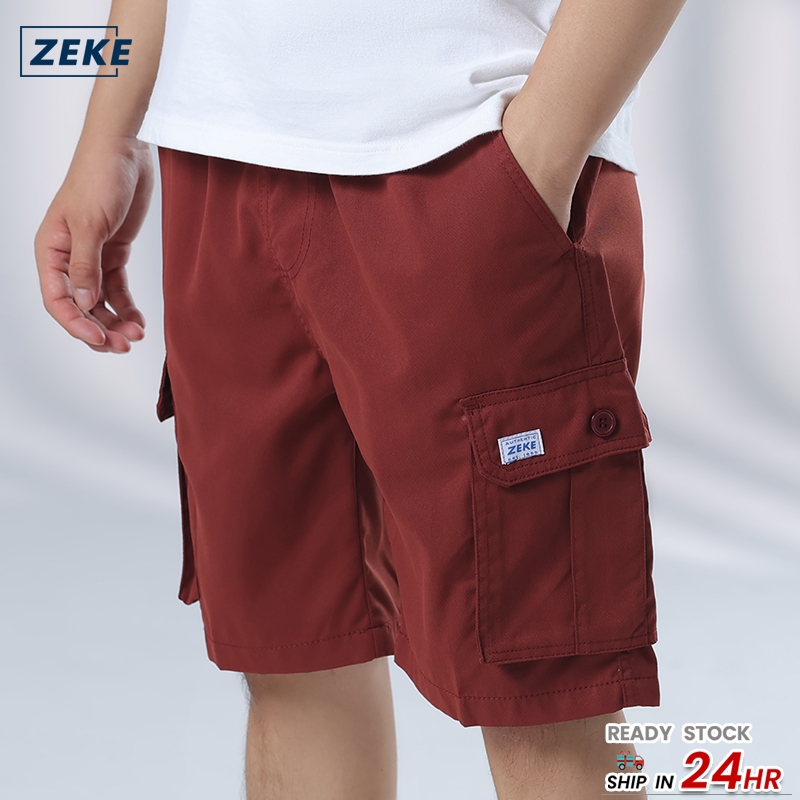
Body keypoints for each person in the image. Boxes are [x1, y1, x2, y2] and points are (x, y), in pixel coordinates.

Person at [34, 0, 687, 797]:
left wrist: (543, 151)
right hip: (218, 160)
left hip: (461, 146)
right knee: (296, 663)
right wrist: (109, 136)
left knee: (543, 697)